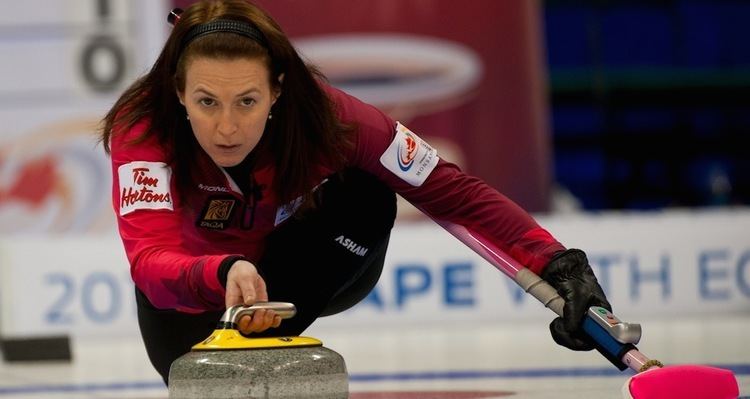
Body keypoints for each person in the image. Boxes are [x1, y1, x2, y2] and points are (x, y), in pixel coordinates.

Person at [99, 0, 611, 385]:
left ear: (278, 90)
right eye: (207, 101)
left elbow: (452, 193)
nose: (226, 127)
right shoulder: (144, 126)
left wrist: (558, 264)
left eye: (248, 101)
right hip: (188, 300)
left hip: (303, 278)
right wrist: (223, 270)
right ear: (177, 91)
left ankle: (268, 332)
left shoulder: (335, 119)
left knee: (368, 191)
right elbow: (150, 261)